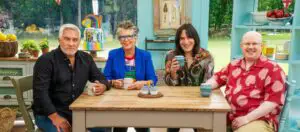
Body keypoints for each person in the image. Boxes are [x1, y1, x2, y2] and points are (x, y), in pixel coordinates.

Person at [32, 24, 110, 132]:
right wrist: (55, 117)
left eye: (75, 40)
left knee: (104, 127)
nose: (71, 43)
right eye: (67, 39)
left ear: (79, 42)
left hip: (78, 112)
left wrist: (103, 86)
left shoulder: (86, 58)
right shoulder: (45, 61)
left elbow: (101, 78)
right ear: (59, 40)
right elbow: (40, 94)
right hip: (50, 113)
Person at [203, 31, 286, 132]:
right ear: (241, 46)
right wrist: (206, 86)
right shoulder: (234, 65)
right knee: (204, 126)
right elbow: (217, 78)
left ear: (262, 46)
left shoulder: (273, 69)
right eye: (247, 44)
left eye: (254, 43)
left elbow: (272, 102)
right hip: (229, 116)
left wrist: (246, 119)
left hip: (258, 119)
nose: (250, 47)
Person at [104, 20, 157, 132]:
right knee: (119, 128)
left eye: (130, 36)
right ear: (119, 40)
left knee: (143, 128)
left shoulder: (145, 55)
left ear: (135, 38)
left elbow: (153, 80)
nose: (126, 40)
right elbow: (105, 78)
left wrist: (143, 84)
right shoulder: (113, 54)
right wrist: (113, 82)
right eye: (122, 37)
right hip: (118, 103)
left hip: (141, 102)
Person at [164, 24, 214, 132]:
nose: (186, 42)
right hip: (176, 102)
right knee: (172, 128)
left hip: (199, 102)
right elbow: (170, 85)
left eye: (189, 37)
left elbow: (208, 83)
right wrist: (172, 73)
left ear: (195, 38)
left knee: (203, 128)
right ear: (178, 41)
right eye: (182, 38)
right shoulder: (171, 56)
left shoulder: (206, 57)